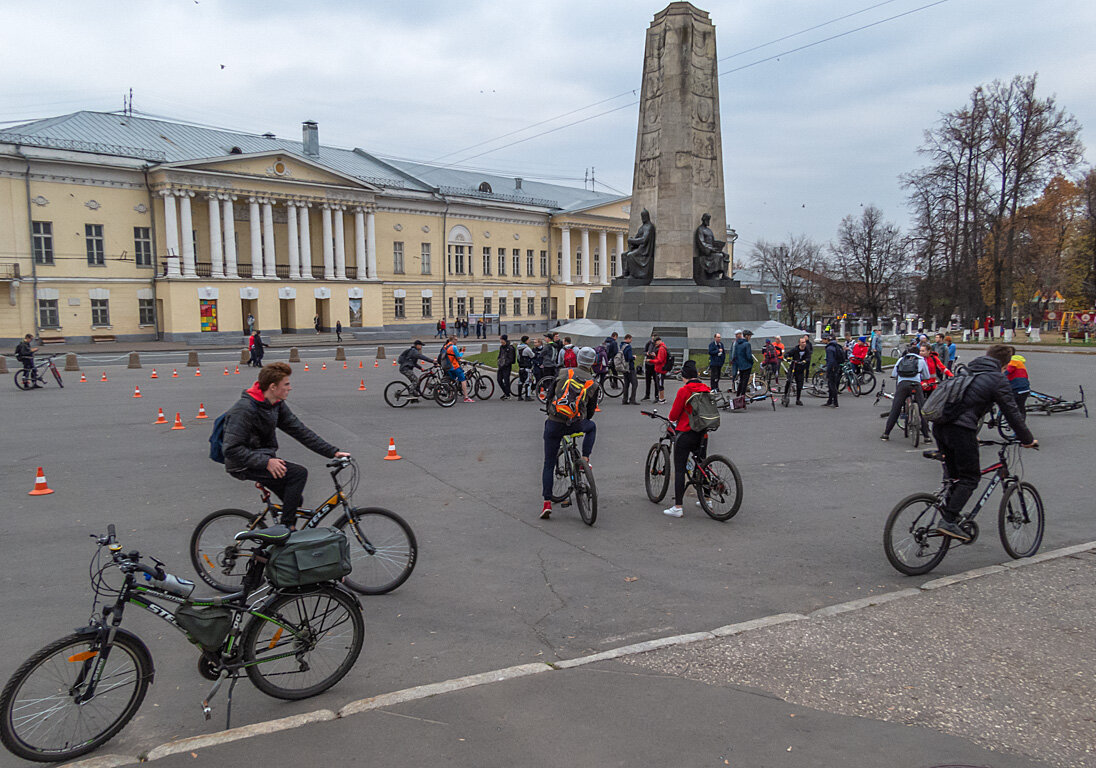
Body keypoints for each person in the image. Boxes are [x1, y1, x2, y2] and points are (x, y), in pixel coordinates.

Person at [221, 362, 350, 527]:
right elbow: (231, 449)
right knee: (298, 474)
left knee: (295, 499)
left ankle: (283, 540)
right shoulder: (244, 409)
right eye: (286, 384)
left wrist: (333, 452)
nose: (290, 388)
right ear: (273, 387)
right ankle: (286, 531)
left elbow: (299, 430)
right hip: (242, 463)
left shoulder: (275, 404)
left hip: (262, 457)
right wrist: (266, 462)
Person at [931, 344, 1037, 541]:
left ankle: (950, 514)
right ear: (1005, 364)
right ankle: (948, 519)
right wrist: (1028, 440)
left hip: (939, 426)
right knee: (971, 477)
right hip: (960, 430)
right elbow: (1012, 413)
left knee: (956, 477)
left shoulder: (967, 371)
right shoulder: (997, 378)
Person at [540, 347, 600, 520]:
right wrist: (581, 420)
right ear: (593, 363)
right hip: (575, 423)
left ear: (577, 359)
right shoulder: (593, 383)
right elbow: (590, 410)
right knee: (592, 427)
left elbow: (550, 395)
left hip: (554, 423)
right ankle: (585, 459)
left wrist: (550, 413)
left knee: (549, 463)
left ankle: (547, 503)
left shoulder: (564, 372)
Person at [662, 360, 711, 518]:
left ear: (684, 376)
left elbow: (673, 415)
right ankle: (708, 498)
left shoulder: (684, 391)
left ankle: (678, 506)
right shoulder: (706, 389)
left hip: (686, 433)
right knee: (702, 464)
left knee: (680, 468)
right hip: (703, 433)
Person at [880, 346, 932, 441]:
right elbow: (927, 375)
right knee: (922, 409)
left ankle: (886, 433)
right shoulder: (921, 360)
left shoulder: (901, 360)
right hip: (916, 385)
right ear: (918, 353)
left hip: (903, 385)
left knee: (896, 408)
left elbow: (894, 374)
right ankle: (926, 436)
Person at [441, 335, 474, 403]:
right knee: (463, 379)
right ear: (453, 340)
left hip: (447, 367)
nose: (457, 341)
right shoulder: (454, 347)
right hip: (454, 366)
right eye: (456, 339)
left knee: (452, 380)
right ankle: (466, 397)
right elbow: (458, 357)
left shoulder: (445, 346)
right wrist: (462, 352)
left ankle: (450, 395)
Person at [784, 334, 811, 406]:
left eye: (805, 342)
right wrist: (788, 358)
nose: (804, 343)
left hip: (800, 370)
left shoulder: (807, 350)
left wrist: (805, 361)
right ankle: (785, 395)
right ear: (799, 343)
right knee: (789, 381)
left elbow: (808, 357)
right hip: (793, 368)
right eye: (802, 342)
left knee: (800, 385)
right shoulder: (795, 349)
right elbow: (787, 354)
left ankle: (798, 399)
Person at [822, 334, 844, 407]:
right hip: (837, 367)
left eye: (823, 339)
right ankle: (830, 400)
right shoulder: (836, 346)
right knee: (833, 384)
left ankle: (835, 402)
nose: (822, 341)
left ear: (826, 340)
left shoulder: (829, 348)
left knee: (832, 385)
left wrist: (828, 369)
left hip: (832, 368)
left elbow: (830, 360)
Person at [732, 330, 754, 397]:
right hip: (747, 365)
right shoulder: (747, 344)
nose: (750, 338)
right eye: (750, 336)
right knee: (745, 381)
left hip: (740, 365)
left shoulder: (738, 343)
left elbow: (735, 355)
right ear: (746, 336)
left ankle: (738, 395)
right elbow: (748, 355)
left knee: (741, 381)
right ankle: (743, 396)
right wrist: (751, 362)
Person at [620, 333, 638, 405]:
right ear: (628, 338)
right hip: (630, 367)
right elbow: (629, 357)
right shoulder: (628, 347)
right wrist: (634, 357)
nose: (631, 340)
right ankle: (632, 399)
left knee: (626, 384)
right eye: (630, 339)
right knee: (634, 383)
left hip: (623, 367)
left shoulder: (621, 346)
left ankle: (624, 399)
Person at [516, 335, 535, 401]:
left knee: (520, 381)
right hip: (527, 367)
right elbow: (532, 355)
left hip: (521, 367)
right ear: (526, 341)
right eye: (529, 340)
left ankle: (519, 396)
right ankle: (527, 396)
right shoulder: (527, 349)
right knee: (528, 381)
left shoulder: (518, 348)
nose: (529, 341)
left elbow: (518, 357)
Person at [496, 334, 516, 400]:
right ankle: (506, 392)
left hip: (506, 366)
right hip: (501, 366)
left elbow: (511, 358)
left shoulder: (510, 348)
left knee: (506, 380)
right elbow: (500, 355)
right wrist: (499, 361)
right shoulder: (501, 347)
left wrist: (506, 364)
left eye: (501, 339)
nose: (500, 341)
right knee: (499, 380)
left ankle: (507, 394)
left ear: (504, 340)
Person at [651, 335, 669, 403]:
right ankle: (661, 398)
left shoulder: (661, 348)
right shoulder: (663, 347)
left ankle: (662, 399)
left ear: (659, 341)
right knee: (659, 383)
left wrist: (650, 360)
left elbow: (660, 360)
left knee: (660, 384)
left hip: (660, 369)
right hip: (660, 368)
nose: (655, 344)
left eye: (655, 342)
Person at [642, 335, 658, 401]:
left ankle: (656, 396)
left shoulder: (658, 345)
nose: (653, 339)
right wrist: (647, 353)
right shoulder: (648, 343)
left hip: (655, 364)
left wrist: (655, 355)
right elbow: (644, 352)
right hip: (648, 364)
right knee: (647, 380)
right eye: (653, 337)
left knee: (656, 381)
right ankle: (647, 395)